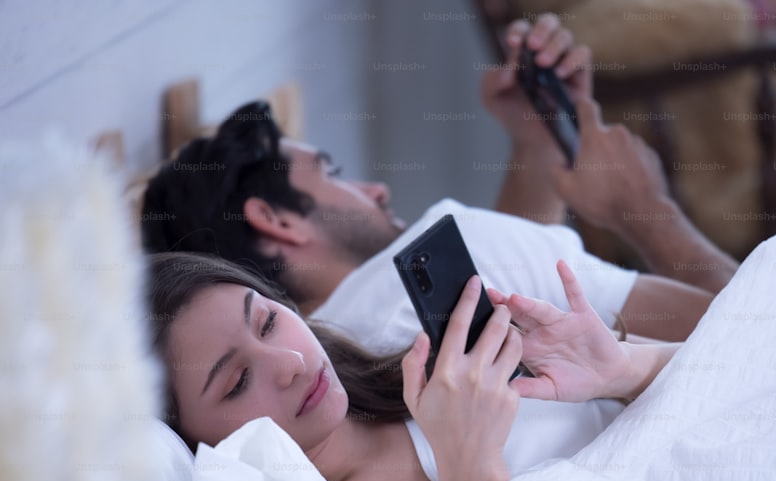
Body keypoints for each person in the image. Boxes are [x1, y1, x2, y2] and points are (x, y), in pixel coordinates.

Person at [140, 15, 737, 348]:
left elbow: (510, 271)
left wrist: (535, 140)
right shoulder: (466, 247)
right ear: (277, 220)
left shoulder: (332, 368)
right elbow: (766, 332)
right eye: (334, 173)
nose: (376, 191)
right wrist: (647, 211)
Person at [147, 251, 678, 481]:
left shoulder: (441, 368)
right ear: (198, 446)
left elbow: (731, 368)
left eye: (266, 322)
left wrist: (621, 369)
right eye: (237, 381)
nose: (288, 365)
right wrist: (469, 467)